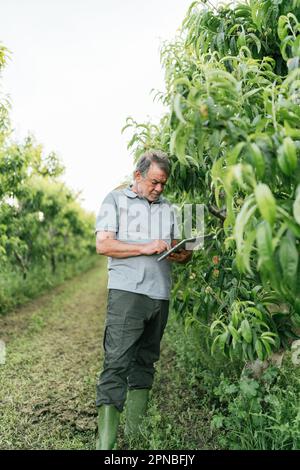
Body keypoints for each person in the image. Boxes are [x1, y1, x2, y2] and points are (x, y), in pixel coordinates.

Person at [95, 150, 192, 450]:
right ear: (138, 176)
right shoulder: (115, 201)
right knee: (117, 362)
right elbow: (104, 244)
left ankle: (135, 437)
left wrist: (182, 253)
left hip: (159, 295)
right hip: (128, 294)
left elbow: (181, 251)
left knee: (146, 362)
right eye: (154, 182)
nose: (159, 189)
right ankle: (106, 444)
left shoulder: (169, 209)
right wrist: (145, 247)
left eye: (164, 184)